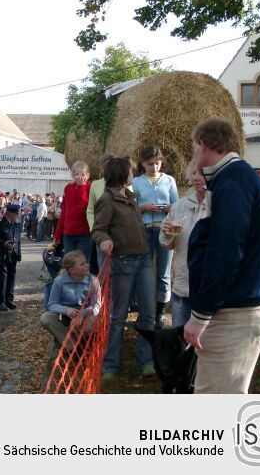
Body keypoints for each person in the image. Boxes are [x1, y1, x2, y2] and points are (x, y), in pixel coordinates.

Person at [184, 118, 260, 394]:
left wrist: (199, 316)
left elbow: (225, 252)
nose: (193, 153)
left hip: (234, 314)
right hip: (235, 309)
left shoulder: (233, 181)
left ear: (204, 144)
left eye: (193, 146)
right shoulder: (236, 178)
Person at [91, 157, 155, 379]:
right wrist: (104, 240)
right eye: (130, 171)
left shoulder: (129, 196)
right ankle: (110, 365)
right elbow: (98, 229)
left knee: (148, 313)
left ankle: (146, 361)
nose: (133, 173)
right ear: (122, 175)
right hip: (123, 263)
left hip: (143, 261)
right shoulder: (107, 200)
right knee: (118, 317)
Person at [39, 250, 101, 389]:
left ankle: (78, 341)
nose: (87, 265)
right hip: (67, 316)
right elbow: (51, 304)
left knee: (91, 324)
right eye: (83, 263)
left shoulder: (93, 280)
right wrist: (66, 310)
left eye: (86, 262)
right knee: (45, 317)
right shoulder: (59, 281)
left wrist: (82, 314)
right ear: (72, 270)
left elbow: (96, 305)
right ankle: (72, 346)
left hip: (85, 316)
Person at [132, 145, 179, 328]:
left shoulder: (169, 180)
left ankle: (160, 313)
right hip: (144, 230)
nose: (155, 167)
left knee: (164, 273)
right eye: (151, 164)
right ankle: (144, 311)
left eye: (158, 163)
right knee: (143, 272)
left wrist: (169, 208)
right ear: (143, 163)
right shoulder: (135, 183)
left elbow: (177, 205)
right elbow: (130, 208)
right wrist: (144, 208)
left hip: (164, 229)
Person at [160, 165, 209, 328]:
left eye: (201, 173)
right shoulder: (180, 205)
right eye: (194, 173)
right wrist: (167, 232)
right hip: (182, 281)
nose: (196, 177)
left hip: (207, 284)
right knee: (179, 335)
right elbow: (166, 243)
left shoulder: (220, 206)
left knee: (205, 339)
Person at [54, 161, 92, 261]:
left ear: (88, 175)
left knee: (82, 263)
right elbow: (64, 212)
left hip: (84, 233)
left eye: (83, 174)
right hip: (68, 233)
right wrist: (57, 234)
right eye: (76, 174)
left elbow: (85, 209)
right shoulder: (68, 188)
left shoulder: (90, 188)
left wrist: (82, 188)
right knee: (70, 264)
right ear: (72, 175)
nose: (79, 177)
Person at [0, 203, 21, 311]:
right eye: (16, 214)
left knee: (11, 278)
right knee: (1, 279)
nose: (18, 216)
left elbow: (17, 240)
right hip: (0, 255)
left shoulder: (16, 225)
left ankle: (9, 299)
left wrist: (18, 254)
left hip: (12, 255)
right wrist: (3, 244)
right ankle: (1, 302)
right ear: (9, 214)